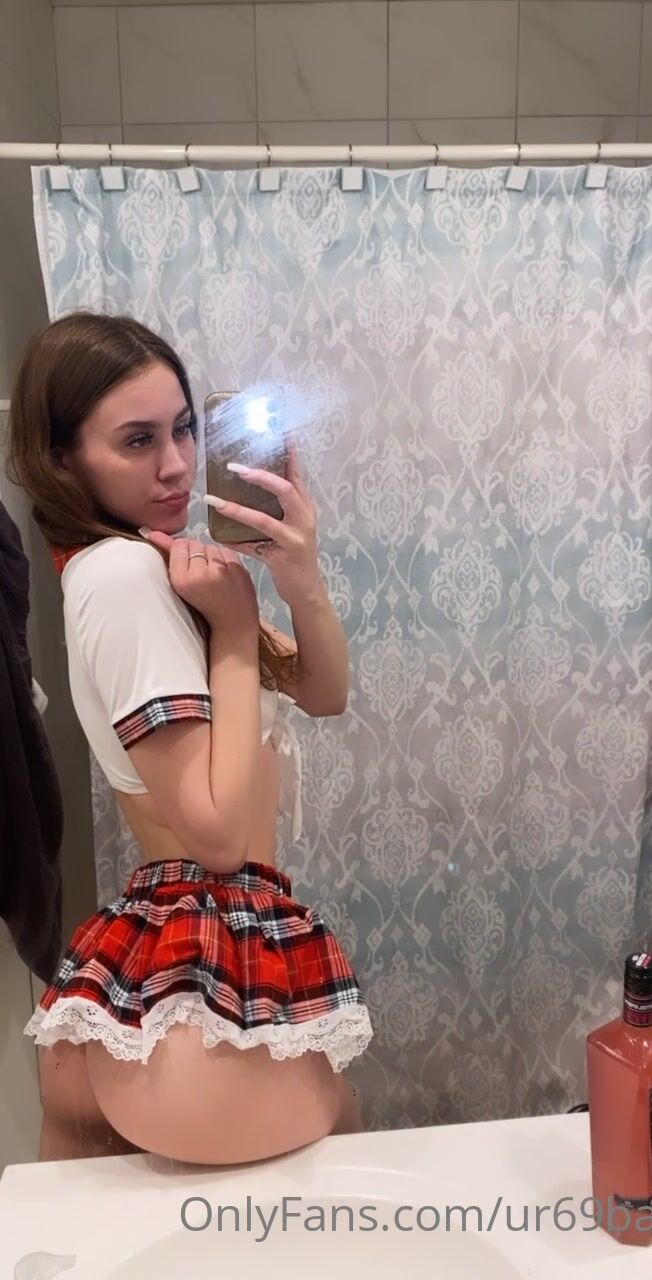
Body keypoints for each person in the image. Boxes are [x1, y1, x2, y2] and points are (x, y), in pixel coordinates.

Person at [7, 311, 373, 1165]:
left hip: (150, 975)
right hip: (206, 977)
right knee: (349, 1207)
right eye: (137, 441)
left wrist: (297, 572)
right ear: (63, 460)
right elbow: (214, 836)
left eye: (182, 429)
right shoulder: (124, 576)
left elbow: (323, 692)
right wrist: (237, 632)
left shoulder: (157, 566)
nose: (175, 464)